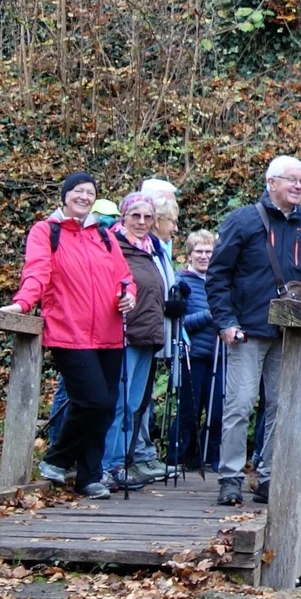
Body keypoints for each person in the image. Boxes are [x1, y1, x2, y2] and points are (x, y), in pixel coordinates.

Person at [2, 173, 135, 500]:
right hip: (68, 331)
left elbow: (125, 277)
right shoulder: (47, 232)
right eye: (78, 191)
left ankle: (88, 478)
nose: (85, 197)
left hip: (109, 332)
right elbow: (37, 272)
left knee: (104, 409)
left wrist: (128, 295)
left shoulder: (103, 236)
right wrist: (23, 303)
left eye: (90, 192)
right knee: (92, 401)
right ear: (65, 195)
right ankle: (58, 456)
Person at [206, 156, 301, 505]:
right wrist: (226, 322)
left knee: (280, 405)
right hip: (248, 329)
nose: (299, 186)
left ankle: (269, 476)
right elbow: (218, 276)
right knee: (240, 405)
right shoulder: (243, 220)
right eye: (292, 179)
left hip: (289, 334)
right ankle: (230, 477)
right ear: (271, 181)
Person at [102, 193, 178, 486]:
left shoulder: (152, 249)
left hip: (148, 334)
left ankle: (121, 463)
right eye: (136, 216)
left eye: (148, 217)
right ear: (123, 217)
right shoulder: (114, 245)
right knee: (119, 402)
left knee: (134, 404)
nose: (142, 222)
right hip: (123, 333)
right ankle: (107, 465)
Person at [175, 231, 224, 474]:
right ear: (190, 254)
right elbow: (178, 322)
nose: (204, 256)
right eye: (199, 252)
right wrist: (209, 316)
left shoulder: (220, 281)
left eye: (208, 252)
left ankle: (212, 457)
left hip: (218, 355)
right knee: (189, 411)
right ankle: (182, 458)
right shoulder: (182, 282)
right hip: (192, 355)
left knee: (217, 410)